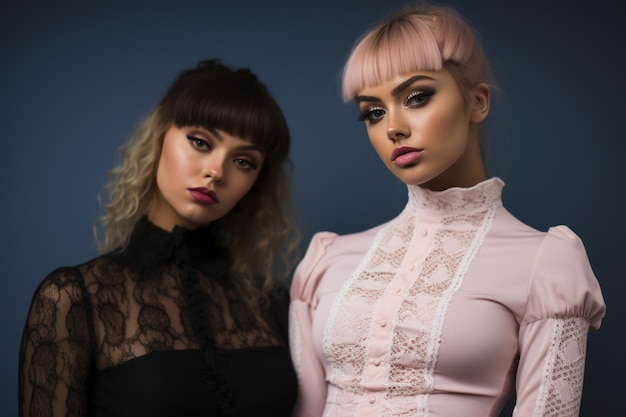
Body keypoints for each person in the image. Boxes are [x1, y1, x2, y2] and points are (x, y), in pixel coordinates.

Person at [289, 4, 606, 417]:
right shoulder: (328, 260)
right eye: (374, 111)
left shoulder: (546, 263)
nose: (393, 128)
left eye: (417, 97)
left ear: (477, 102)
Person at [19, 58, 299, 417]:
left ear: (255, 184)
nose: (215, 171)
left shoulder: (271, 301)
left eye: (243, 162)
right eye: (200, 142)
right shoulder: (73, 298)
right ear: (158, 137)